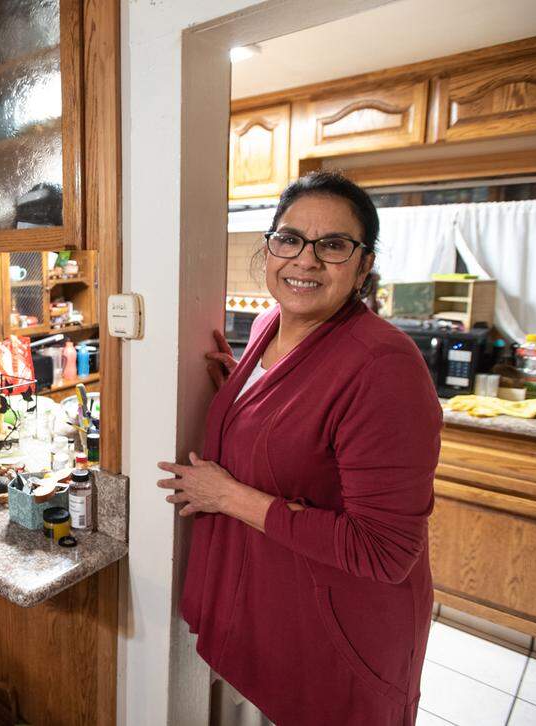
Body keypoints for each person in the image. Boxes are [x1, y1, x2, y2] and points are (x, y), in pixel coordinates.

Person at [158, 171, 441, 725]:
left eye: (333, 246)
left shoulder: (386, 367)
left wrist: (227, 496)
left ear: (363, 266)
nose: (305, 260)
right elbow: (302, 419)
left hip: (339, 628)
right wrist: (246, 391)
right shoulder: (271, 324)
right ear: (269, 249)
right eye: (289, 239)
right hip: (276, 606)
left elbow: (383, 550)